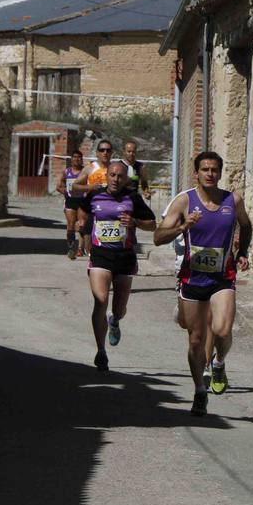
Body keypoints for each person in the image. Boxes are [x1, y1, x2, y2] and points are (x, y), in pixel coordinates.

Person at [154, 151, 252, 416]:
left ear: (220, 173)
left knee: (222, 329)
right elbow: (158, 237)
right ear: (196, 173)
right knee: (196, 340)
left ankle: (219, 362)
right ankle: (199, 390)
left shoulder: (233, 200)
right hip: (192, 277)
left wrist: (242, 251)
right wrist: (182, 227)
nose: (210, 174)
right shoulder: (184, 201)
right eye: (205, 169)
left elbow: (246, 225)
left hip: (222, 276)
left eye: (214, 170)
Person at [77, 160, 156, 372]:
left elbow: (152, 224)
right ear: (107, 176)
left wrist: (135, 222)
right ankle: (101, 351)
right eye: (112, 175)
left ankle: (114, 320)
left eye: (120, 176)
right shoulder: (95, 195)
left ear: (126, 179)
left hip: (124, 258)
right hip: (100, 256)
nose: (115, 179)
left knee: (119, 309)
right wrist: (84, 229)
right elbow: (83, 211)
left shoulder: (133, 197)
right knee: (100, 300)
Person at [73, 139, 115, 254]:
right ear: (97, 153)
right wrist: (90, 187)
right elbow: (75, 185)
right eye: (102, 150)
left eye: (108, 150)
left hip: (111, 207)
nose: (105, 153)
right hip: (93, 208)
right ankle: (88, 252)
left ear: (112, 153)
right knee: (89, 241)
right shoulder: (90, 168)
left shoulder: (115, 168)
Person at [57, 150, 87, 259]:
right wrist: (65, 191)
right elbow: (58, 186)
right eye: (75, 157)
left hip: (82, 200)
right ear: (71, 159)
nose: (77, 159)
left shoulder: (85, 171)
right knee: (70, 225)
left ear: (82, 159)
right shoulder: (66, 172)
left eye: (79, 157)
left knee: (82, 225)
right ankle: (71, 248)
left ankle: (80, 249)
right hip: (70, 200)